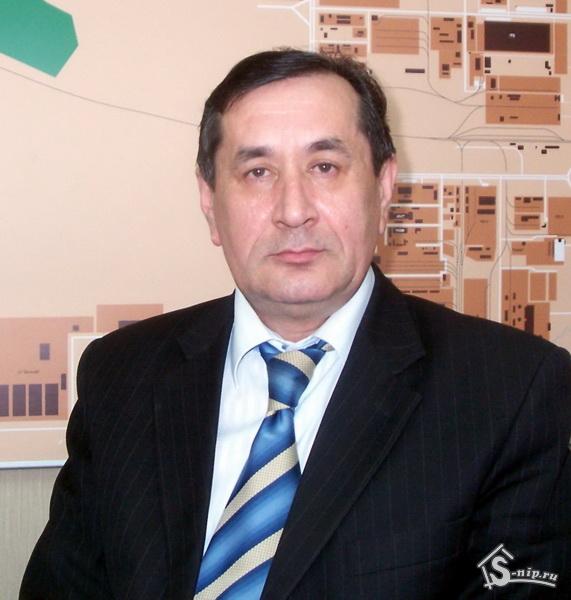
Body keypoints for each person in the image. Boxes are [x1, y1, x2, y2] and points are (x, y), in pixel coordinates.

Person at [21, 49, 571, 599]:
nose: (293, 210)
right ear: (210, 201)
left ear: (383, 188)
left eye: (324, 167)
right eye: (257, 172)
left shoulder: (512, 392)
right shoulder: (120, 375)